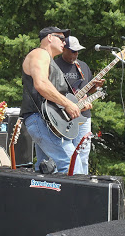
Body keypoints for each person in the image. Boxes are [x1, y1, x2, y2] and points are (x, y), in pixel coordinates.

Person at [20, 27, 92, 175]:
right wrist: (68, 104)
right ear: (49, 38)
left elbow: (54, 98)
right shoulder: (39, 54)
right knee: (72, 165)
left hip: (48, 122)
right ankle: (74, 198)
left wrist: (76, 106)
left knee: (47, 171)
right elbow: (41, 84)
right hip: (40, 119)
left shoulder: (49, 60)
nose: (64, 42)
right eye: (61, 38)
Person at [55, 36, 104, 175]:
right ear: (63, 49)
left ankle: (82, 182)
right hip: (63, 116)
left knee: (83, 152)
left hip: (84, 116)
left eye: (78, 51)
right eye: (73, 51)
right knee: (66, 151)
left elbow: (87, 91)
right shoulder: (55, 66)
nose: (76, 54)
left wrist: (95, 87)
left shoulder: (82, 66)